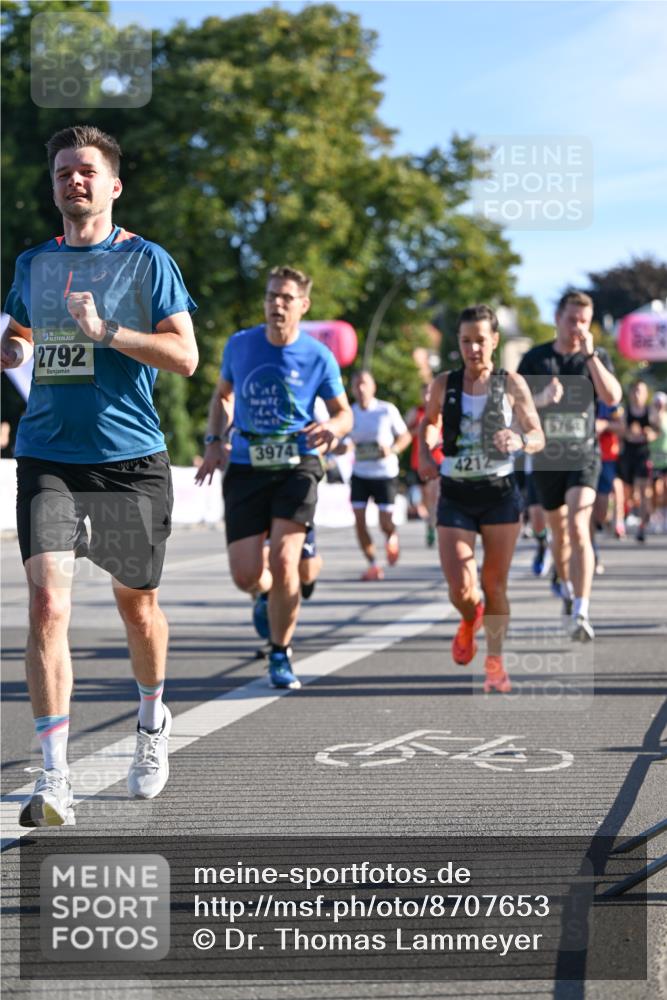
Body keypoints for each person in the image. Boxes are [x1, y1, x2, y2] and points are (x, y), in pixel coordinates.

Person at [1, 125, 197, 827]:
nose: (72, 181)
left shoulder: (146, 262)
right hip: (48, 455)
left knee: (134, 605)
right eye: (61, 172)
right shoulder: (32, 264)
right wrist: (12, 343)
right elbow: (22, 329)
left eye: (86, 171)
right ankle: (53, 778)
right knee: (48, 606)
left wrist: (108, 332)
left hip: (127, 460)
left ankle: (151, 723)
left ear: (113, 185)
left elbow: (184, 357)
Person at [194, 266, 352, 690]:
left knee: (286, 562)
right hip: (246, 465)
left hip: (297, 463)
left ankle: (281, 653)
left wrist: (333, 429)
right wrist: (213, 441)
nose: (276, 304)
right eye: (270, 296)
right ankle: (265, 596)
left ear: (303, 305)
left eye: (285, 297)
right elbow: (222, 396)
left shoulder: (318, 356)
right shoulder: (240, 345)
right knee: (246, 575)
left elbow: (344, 412)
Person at [419, 304, 544, 693]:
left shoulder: (511, 383)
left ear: (495, 340)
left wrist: (521, 440)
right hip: (456, 492)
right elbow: (429, 423)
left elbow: (537, 433)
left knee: (495, 584)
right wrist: (425, 451)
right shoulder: (444, 384)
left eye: (480, 341)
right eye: (465, 341)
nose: (473, 349)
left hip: (499, 492)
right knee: (461, 588)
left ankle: (494, 662)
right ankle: (469, 618)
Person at [518, 290, 622, 641]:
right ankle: (565, 586)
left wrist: (591, 355)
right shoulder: (535, 359)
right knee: (559, 535)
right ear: (557, 319)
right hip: (547, 459)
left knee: (580, 525)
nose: (577, 326)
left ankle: (581, 611)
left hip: (583, 455)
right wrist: (541, 399)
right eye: (571, 319)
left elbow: (612, 398)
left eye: (584, 320)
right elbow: (512, 408)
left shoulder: (596, 357)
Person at [345, 370, 412, 580]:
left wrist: (391, 450)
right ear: (352, 389)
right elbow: (341, 442)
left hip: (385, 474)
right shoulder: (349, 412)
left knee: (385, 523)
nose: (361, 388)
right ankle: (373, 564)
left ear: (373, 387)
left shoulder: (386, 410)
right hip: (360, 474)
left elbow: (405, 436)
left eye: (364, 383)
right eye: (357, 385)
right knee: (359, 522)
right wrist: (344, 447)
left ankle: (391, 535)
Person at [405, 383, 443, 547]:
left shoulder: (443, 411)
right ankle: (430, 524)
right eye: (424, 394)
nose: (427, 397)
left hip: (438, 460)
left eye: (430, 393)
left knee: (435, 495)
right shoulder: (416, 412)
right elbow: (404, 433)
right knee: (427, 499)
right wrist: (419, 432)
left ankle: (437, 525)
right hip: (419, 461)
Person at [619, 379, 654, 542]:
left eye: (640, 391)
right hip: (627, 454)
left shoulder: (649, 412)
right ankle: (626, 516)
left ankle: (641, 526)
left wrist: (648, 433)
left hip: (643, 454)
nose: (637, 394)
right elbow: (620, 432)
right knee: (629, 492)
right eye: (634, 391)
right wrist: (628, 433)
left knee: (643, 490)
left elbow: (657, 431)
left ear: (646, 394)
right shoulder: (625, 411)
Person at [592, 398, 626, 572]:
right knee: (582, 509)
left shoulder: (610, 402)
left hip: (606, 460)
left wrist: (603, 425)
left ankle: (611, 521)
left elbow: (622, 427)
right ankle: (592, 554)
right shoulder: (576, 394)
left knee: (601, 512)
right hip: (580, 458)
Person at [649, 391, 667, 532]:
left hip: (666, 458)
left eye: (661, 403)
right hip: (654, 459)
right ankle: (655, 517)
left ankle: (664, 516)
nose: (659, 406)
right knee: (656, 490)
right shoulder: (651, 418)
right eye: (657, 403)